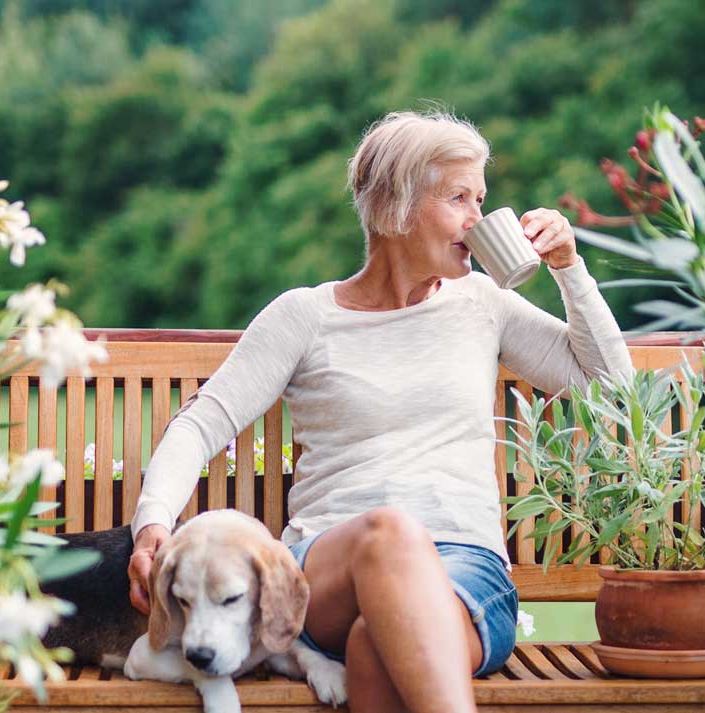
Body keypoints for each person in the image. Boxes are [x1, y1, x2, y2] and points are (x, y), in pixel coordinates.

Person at [126, 109, 634, 712]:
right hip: (329, 572)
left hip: (467, 569)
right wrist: (153, 524)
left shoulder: (484, 303)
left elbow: (613, 387)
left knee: (374, 647)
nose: (479, 219)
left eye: (481, 199)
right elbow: (201, 423)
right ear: (396, 207)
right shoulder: (306, 317)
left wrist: (568, 268)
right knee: (391, 532)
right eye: (459, 198)